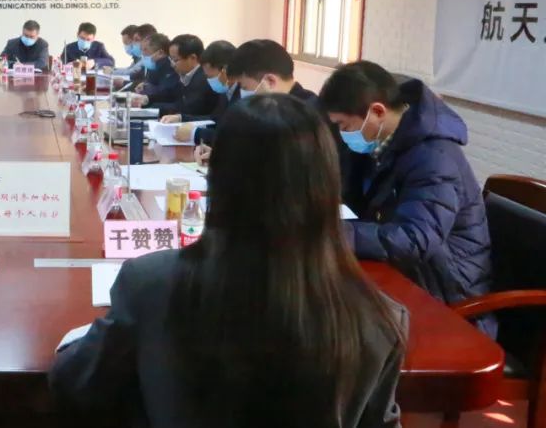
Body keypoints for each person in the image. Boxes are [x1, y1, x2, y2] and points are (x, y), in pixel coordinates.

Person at [50, 94, 406, 428]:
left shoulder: (150, 284)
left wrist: (77, 341)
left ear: (218, 177)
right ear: (327, 185)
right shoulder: (380, 319)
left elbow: (77, 382)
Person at [320, 61, 495, 336]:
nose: (343, 135)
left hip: (446, 290)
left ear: (377, 112)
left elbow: (415, 239)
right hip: (410, 272)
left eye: (344, 125)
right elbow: (354, 198)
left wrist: (335, 233)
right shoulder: (381, 143)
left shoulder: (435, 158)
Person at [161, 40, 239, 127]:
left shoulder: (242, 94)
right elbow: (215, 119)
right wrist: (181, 118)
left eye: (210, 77)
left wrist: (195, 132)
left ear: (225, 71)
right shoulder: (225, 91)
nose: (209, 81)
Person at [149, 34, 220, 118]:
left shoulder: (205, 79)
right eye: (171, 59)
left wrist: (154, 109)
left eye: (175, 60)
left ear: (192, 58)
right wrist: (148, 99)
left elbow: (188, 108)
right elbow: (171, 96)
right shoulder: (184, 74)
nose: (172, 65)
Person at [132, 33, 178, 105]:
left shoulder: (170, 67)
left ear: (160, 53)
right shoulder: (155, 65)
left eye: (145, 50)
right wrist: (144, 85)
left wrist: (147, 89)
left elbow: (165, 93)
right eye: (142, 50)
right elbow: (151, 84)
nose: (142, 54)